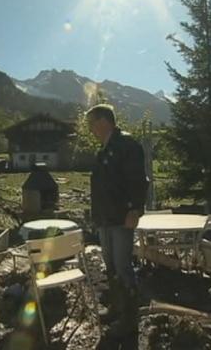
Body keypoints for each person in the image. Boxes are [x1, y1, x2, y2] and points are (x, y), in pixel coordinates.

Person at [87, 104, 149, 344]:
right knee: (111, 266)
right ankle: (116, 308)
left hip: (122, 217)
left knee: (123, 267)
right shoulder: (104, 149)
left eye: (92, 123)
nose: (90, 129)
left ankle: (129, 320)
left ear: (103, 121)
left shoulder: (127, 144)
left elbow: (138, 180)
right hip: (105, 218)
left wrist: (135, 209)